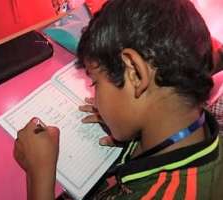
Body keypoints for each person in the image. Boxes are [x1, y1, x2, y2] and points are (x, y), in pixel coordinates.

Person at [14, 0, 223, 199]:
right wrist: (130, 137)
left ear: (135, 73)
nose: (96, 99)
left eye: (96, 83)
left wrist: (39, 173)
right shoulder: (185, 126)